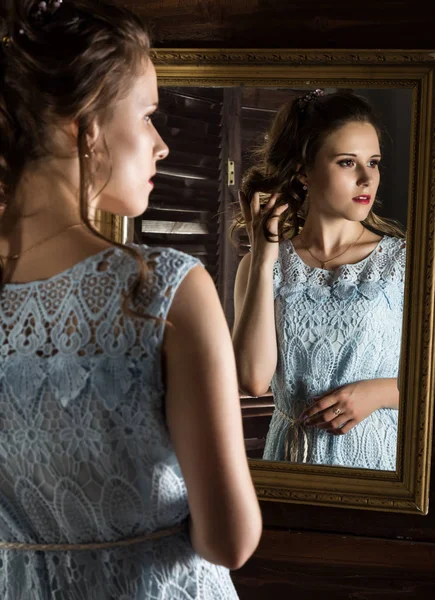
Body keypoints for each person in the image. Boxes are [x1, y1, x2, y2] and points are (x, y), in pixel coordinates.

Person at [0, 1, 262, 597]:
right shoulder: (163, 290)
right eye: (147, 115)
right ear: (86, 125)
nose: (162, 144)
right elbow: (230, 539)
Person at [232, 89, 406, 470]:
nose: (367, 178)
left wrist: (377, 394)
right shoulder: (263, 266)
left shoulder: (403, 265)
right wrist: (263, 259)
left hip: (376, 465)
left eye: (373, 162)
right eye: (347, 162)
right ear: (303, 172)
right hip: (290, 462)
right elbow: (253, 379)